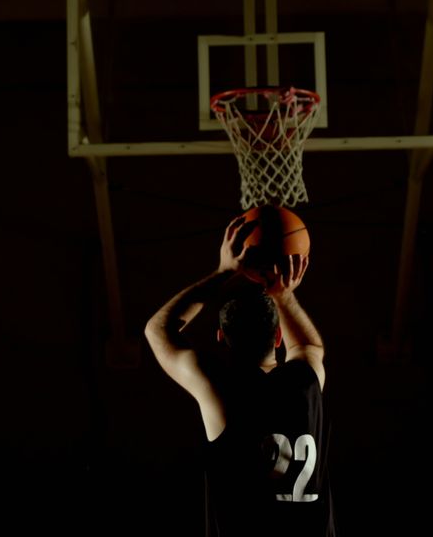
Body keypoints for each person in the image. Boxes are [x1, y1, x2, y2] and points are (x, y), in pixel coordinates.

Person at [144, 215, 336, 536]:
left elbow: (158, 330)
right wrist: (282, 292)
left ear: (222, 337)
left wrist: (224, 272)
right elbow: (308, 344)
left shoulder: (220, 390)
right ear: (278, 338)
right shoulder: (306, 383)